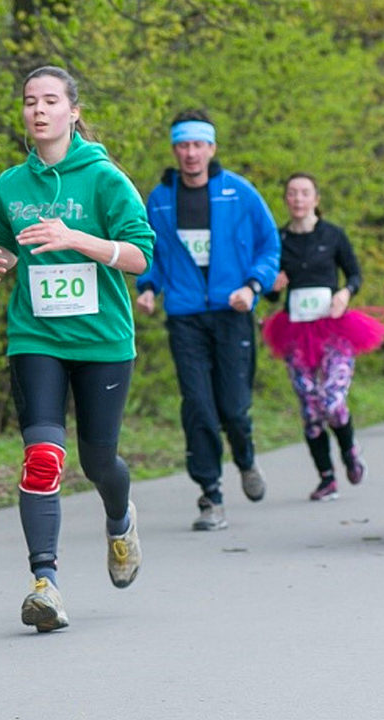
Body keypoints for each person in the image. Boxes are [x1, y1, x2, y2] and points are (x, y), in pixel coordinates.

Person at [0, 66, 154, 633]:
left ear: (73, 111)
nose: (38, 111)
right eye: (30, 101)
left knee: (98, 460)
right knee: (43, 458)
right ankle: (44, 583)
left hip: (103, 340)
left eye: (50, 101)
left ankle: (120, 518)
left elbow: (140, 257)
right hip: (37, 337)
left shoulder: (104, 179)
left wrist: (75, 237)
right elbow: (3, 250)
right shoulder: (9, 185)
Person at [133, 109, 280, 531]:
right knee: (198, 406)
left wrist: (252, 287)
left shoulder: (239, 192)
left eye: (198, 145)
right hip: (185, 317)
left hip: (232, 313)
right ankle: (210, 495)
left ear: (212, 148)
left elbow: (269, 247)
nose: (191, 153)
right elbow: (152, 252)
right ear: (175, 149)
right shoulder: (160, 198)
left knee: (233, 407)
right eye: (183, 145)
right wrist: (147, 287)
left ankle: (246, 459)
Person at [260, 173, 384, 501]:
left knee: (332, 400)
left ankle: (349, 448)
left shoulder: (332, 235)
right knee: (309, 406)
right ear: (286, 199)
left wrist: (345, 293)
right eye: (292, 193)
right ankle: (326, 477)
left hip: (333, 327)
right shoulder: (277, 240)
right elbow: (273, 295)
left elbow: (355, 274)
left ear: (316, 199)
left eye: (305, 193)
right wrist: (272, 287)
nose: (298, 199)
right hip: (294, 329)